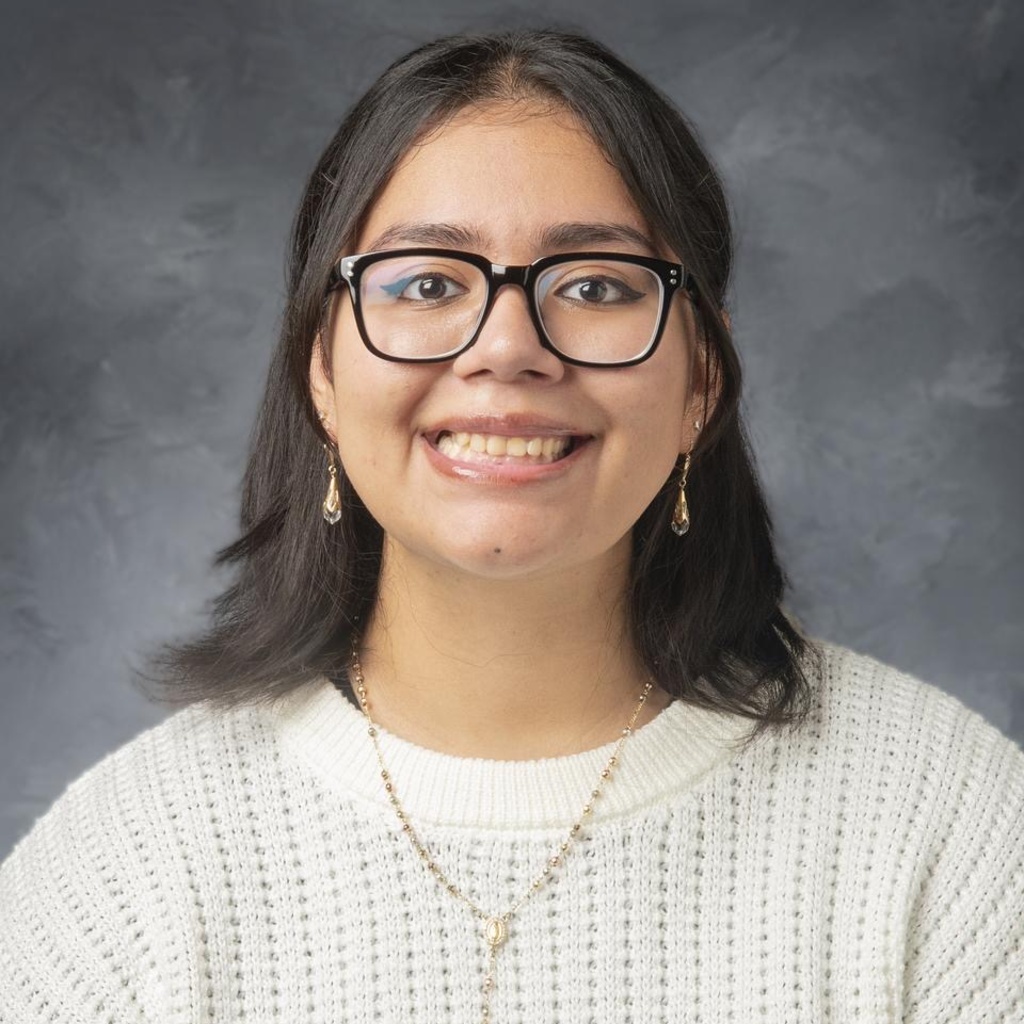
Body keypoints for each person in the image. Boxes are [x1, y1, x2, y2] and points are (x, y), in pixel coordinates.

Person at [1, 27, 1021, 1024]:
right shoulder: (124, 874)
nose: (506, 347)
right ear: (322, 369)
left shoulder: (949, 830)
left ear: (699, 381)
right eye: (428, 283)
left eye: (592, 286)